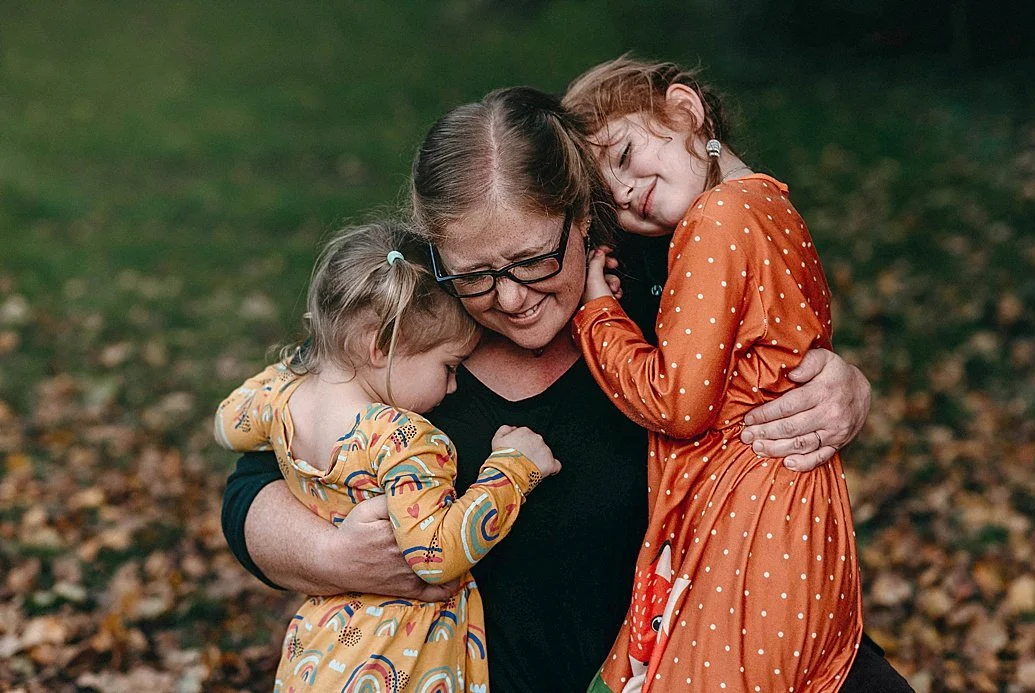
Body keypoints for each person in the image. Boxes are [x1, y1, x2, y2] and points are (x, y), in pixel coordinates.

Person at [219, 86, 913, 693]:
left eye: (534, 259)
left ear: (583, 215)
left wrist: (842, 383)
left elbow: (777, 330)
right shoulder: (406, 337)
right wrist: (334, 556)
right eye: (476, 273)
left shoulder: (653, 295)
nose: (513, 297)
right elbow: (250, 489)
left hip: (715, 655)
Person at [563, 56, 862, 692]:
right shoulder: (771, 204)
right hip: (799, 505)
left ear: (685, 111)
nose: (621, 192)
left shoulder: (714, 218)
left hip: (748, 514)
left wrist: (596, 315)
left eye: (622, 155)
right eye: (607, 194)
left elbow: (678, 401)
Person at [213, 220, 560, 692]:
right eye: (448, 366)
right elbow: (436, 555)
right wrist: (512, 472)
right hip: (401, 661)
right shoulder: (405, 438)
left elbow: (227, 423)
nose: (453, 385)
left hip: (319, 654)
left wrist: (306, 364)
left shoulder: (282, 402)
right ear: (381, 347)